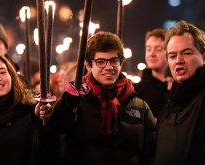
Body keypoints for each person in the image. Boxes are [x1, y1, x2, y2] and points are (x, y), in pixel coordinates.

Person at [51, 31, 156, 165]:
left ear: (121, 63)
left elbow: (151, 153)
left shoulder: (139, 107)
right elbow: (52, 139)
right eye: (101, 62)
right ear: (89, 65)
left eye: (114, 61)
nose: (109, 67)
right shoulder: (74, 102)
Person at [154, 20, 205, 165]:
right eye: (172, 55)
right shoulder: (169, 106)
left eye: (186, 53)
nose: (179, 60)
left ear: (203, 57)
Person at [134, 28, 170, 118]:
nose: (152, 54)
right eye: (148, 49)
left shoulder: (178, 87)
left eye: (158, 49)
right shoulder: (137, 91)